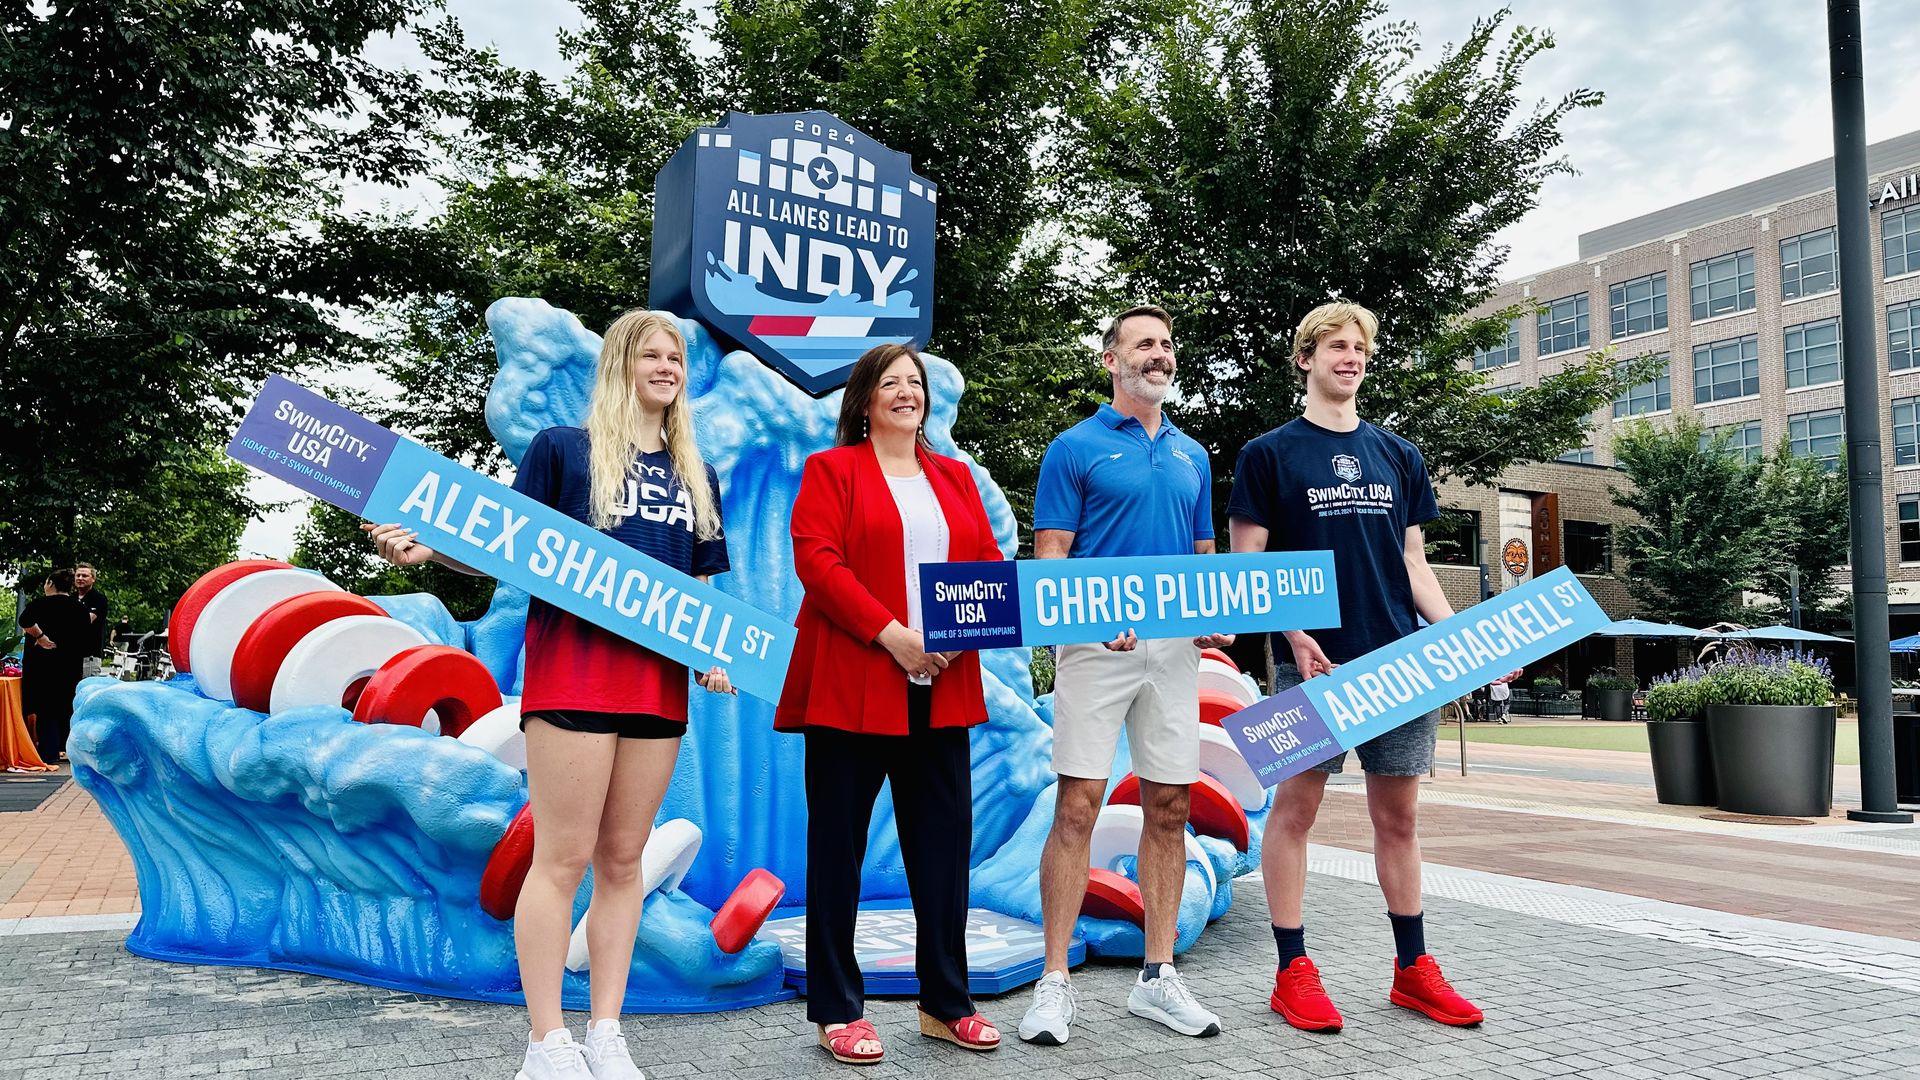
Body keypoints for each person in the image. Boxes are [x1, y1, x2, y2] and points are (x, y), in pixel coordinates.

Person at [367, 309, 735, 1080]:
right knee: (562, 858)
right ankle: (546, 1042)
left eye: (676, 357)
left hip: (656, 690)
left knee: (625, 859)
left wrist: (711, 651)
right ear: (620, 365)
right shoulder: (563, 451)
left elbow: (701, 588)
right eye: (652, 354)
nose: (667, 367)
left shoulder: (696, 473)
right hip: (572, 676)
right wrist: (427, 548)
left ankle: (606, 1031)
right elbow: (504, 547)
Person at [1227, 301, 1514, 1034]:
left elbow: (1414, 565)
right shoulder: (1268, 454)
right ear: (1306, 358)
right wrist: (1292, 636)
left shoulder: (1398, 455)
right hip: (1311, 667)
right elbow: (1244, 568)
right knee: (1295, 814)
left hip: (1400, 665)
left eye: (1358, 348)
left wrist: (1464, 647)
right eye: (1334, 347)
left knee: (1401, 819)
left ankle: (1413, 971)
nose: (1348, 358)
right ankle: (1292, 971)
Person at [777, 343, 1004, 1065]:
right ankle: (837, 1009)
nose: (907, 392)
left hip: (944, 687)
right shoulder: (831, 470)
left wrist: (951, 640)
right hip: (851, 684)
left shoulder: (956, 478)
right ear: (865, 401)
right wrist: (895, 635)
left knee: (942, 853)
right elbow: (817, 561)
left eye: (916, 382)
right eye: (891, 382)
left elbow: (988, 570)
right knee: (837, 852)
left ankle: (946, 1004)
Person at [1020, 305, 1233, 1047]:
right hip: (1095, 648)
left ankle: (1157, 977)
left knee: (1170, 807)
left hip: (1175, 652)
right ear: (1111, 359)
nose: (1160, 355)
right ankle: (1053, 983)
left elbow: (1204, 559)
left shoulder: (1193, 455)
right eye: (1145, 344)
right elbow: (1051, 557)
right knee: (1077, 804)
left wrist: (1213, 612)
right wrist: (1080, 619)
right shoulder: (1073, 447)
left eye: (1168, 345)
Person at [19, 570, 91, 763]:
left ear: (50, 583)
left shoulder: (40, 604)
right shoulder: (80, 608)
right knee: (67, 706)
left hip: (42, 665)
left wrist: (40, 637)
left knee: (45, 709)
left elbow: (24, 620)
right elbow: (85, 636)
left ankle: (48, 753)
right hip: (69, 664)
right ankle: (68, 750)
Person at [73, 563, 111, 678]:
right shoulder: (70, 598)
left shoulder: (98, 599)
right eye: (78, 575)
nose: (80, 578)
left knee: (86, 690)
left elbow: (85, 622)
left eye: (84, 576)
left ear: (93, 579)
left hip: (89, 656)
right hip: (70, 655)